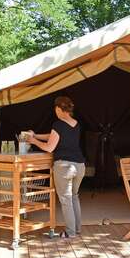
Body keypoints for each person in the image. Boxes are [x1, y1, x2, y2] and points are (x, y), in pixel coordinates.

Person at [27, 96, 85, 238]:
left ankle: (70, 233)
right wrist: (36, 135)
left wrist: (33, 140)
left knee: (66, 200)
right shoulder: (76, 124)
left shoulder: (58, 124)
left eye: (55, 109)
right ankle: (76, 229)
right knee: (74, 197)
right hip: (79, 166)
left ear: (59, 108)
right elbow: (54, 136)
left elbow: (49, 147)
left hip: (64, 166)